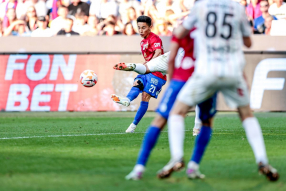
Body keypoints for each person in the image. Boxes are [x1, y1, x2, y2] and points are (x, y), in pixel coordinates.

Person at [159, 0, 279, 181]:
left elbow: (181, 32)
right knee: (246, 114)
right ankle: (262, 161)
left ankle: (177, 157)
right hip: (232, 70)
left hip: (206, 70)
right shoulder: (237, 8)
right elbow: (248, 43)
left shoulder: (201, 7)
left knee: (178, 111)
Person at [125, 27, 205, 180]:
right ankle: (193, 164)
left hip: (181, 83)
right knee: (207, 118)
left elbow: (149, 67)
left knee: (164, 118)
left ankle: (141, 168)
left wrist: (133, 67)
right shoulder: (206, 48)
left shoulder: (175, 52)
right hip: (204, 83)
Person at [111, 16, 167, 133]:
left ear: (150, 27)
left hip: (157, 73)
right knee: (137, 83)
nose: (141, 30)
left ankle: (133, 126)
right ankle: (127, 100)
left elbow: (158, 52)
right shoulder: (142, 41)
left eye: (144, 28)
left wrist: (150, 63)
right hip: (147, 70)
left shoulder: (155, 38)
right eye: (139, 28)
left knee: (145, 96)